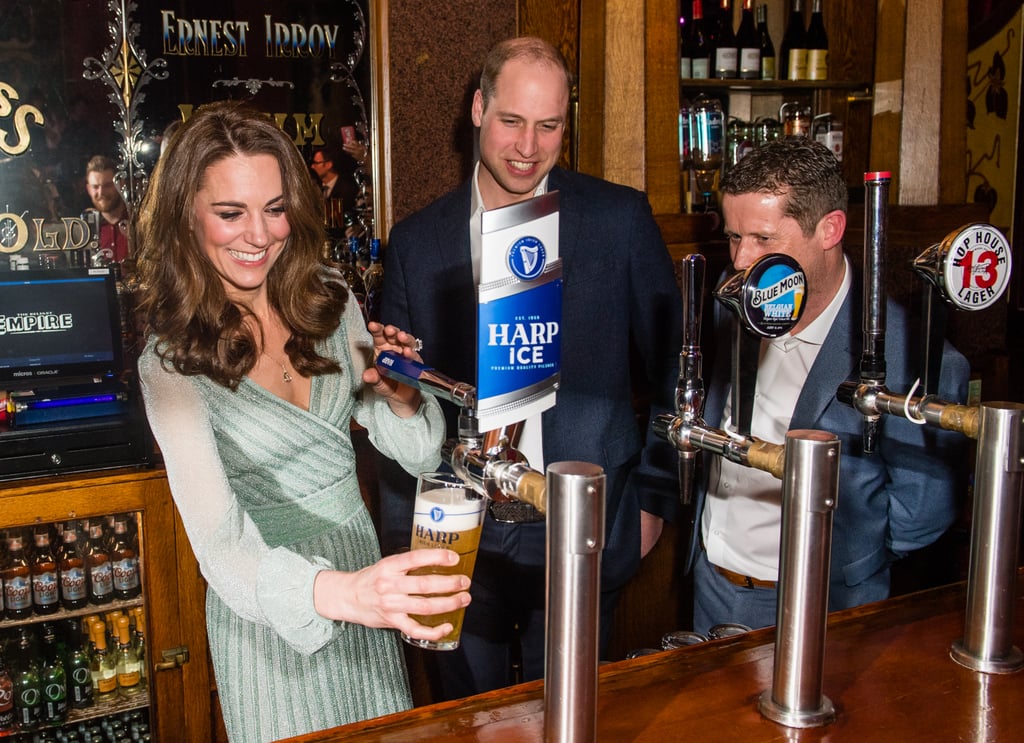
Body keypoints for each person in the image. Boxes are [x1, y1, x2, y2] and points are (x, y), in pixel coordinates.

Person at [133, 101, 471, 742]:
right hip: (272, 607)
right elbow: (223, 550)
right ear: (187, 217)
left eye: (275, 207)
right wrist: (350, 596)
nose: (258, 234)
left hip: (362, 567)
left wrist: (400, 395)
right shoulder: (170, 365)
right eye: (230, 213)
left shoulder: (330, 299)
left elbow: (420, 455)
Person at [380, 36, 683, 698]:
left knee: (570, 712)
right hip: (466, 535)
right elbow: (399, 398)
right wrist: (408, 534)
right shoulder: (417, 241)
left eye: (549, 125)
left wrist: (655, 501)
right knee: (472, 715)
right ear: (479, 108)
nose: (528, 145)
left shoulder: (618, 218)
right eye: (512, 120)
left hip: (582, 521)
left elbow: (675, 370)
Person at [688, 137, 970, 635]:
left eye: (762, 239)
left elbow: (922, 513)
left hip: (826, 604)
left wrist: (851, 563)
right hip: (714, 584)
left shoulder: (911, 356)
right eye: (734, 238)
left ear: (829, 229)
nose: (739, 261)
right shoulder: (730, 310)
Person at [84, 155, 129, 263]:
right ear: (89, 189)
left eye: (108, 185)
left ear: (121, 184)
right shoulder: (84, 230)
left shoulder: (139, 223)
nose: (101, 193)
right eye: (95, 187)